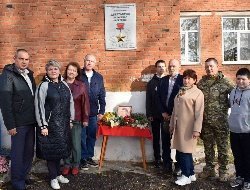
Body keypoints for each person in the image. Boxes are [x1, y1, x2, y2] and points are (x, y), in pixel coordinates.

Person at [35, 60, 75, 190]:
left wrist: (70, 120)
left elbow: (70, 103)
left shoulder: (64, 84)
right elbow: (39, 106)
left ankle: (58, 174)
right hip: (50, 126)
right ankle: (52, 178)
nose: (53, 71)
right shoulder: (44, 86)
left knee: (59, 151)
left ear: (59, 71)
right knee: (51, 152)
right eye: (51, 69)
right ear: (47, 71)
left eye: (56, 69)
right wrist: (43, 125)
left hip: (63, 125)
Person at [0, 49, 36, 190]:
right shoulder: (8, 75)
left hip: (30, 120)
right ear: (14, 58)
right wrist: (10, 125)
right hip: (18, 123)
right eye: (21, 59)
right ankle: (17, 182)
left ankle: (24, 175)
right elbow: (5, 102)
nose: (24, 62)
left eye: (26, 59)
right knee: (18, 154)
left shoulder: (30, 74)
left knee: (28, 152)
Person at [197, 58, 234, 181]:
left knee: (223, 147)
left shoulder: (226, 82)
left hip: (221, 122)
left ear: (217, 66)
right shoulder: (201, 83)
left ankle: (223, 171)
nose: (209, 69)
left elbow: (236, 95)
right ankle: (209, 169)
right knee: (208, 147)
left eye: (211, 66)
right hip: (206, 122)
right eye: (207, 66)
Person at [170, 69, 204, 186]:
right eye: (185, 78)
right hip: (179, 126)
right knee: (183, 151)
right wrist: (171, 124)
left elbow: (199, 113)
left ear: (194, 80)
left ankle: (185, 176)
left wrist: (197, 129)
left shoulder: (198, 93)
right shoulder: (181, 91)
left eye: (189, 78)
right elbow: (175, 109)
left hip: (189, 127)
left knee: (184, 151)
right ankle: (191, 173)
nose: (186, 80)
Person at [62, 62, 90, 176]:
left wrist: (85, 118)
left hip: (76, 119)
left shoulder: (81, 85)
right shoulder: (61, 84)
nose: (71, 72)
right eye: (70, 69)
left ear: (77, 73)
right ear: (66, 70)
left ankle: (76, 164)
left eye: (74, 70)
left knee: (75, 143)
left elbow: (85, 103)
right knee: (65, 143)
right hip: (62, 120)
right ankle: (67, 164)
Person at [80, 54, 106, 170]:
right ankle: (82, 158)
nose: (89, 63)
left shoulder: (99, 77)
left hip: (93, 113)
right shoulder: (78, 75)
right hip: (80, 113)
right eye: (87, 60)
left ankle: (89, 156)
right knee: (81, 136)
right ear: (84, 61)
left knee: (91, 136)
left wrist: (102, 110)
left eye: (92, 61)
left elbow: (102, 95)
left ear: (95, 63)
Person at [158, 59, 183, 173]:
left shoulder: (183, 80)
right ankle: (166, 164)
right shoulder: (163, 80)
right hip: (165, 116)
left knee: (177, 141)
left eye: (174, 66)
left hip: (177, 117)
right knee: (165, 140)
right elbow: (158, 97)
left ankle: (178, 165)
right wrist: (163, 112)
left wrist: (173, 114)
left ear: (179, 67)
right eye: (170, 66)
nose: (171, 68)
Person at [228, 68, 250, 190]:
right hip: (234, 131)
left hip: (247, 132)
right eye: (238, 79)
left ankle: (248, 179)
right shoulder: (233, 92)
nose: (240, 81)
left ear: (249, 80)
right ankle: (239, 177)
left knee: (247, 157)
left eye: (243, 79)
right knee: (237, 157)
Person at [146, 60, 166, 168]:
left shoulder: (168, 81)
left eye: (163, 66)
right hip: (154, 115)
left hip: (166, 115)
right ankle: (157, 158)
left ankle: (166, 158)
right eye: (159, 66)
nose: (161, 68)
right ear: (156, 68)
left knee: (166, 137)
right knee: (156, 138)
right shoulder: (151, 83)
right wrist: (149, 114)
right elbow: (148, 99)